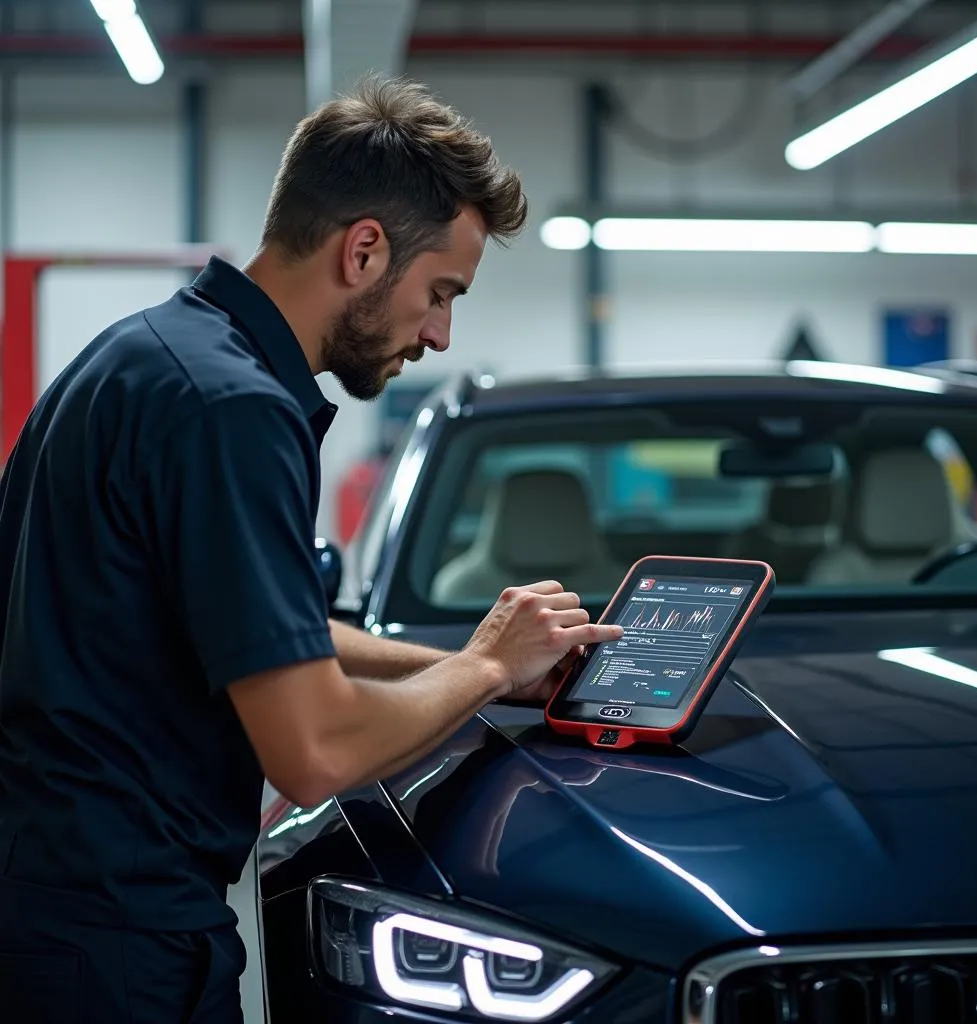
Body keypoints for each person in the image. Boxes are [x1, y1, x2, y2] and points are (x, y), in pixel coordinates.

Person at [0, 76, 624, 1022]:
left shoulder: (146, 355)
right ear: (365, 250)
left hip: (55, 910)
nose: (440, 332)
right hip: (113, 943)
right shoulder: (234, 411)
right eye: (440, 292)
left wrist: (472, 663)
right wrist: (488, 672)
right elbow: (317, 750)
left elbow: (275, 633)